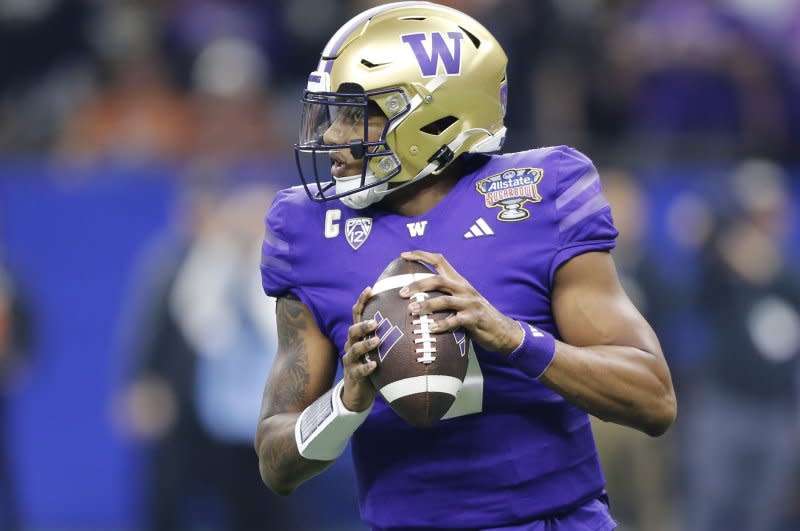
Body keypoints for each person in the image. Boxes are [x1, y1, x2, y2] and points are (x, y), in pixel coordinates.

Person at [256, 2, 676, 530]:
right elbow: (275, 462)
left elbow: (653, 399)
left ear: (431, 116)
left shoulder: (542, 193)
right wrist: (344, 403)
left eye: (358, 113)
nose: (335, 137)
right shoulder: (306, 228)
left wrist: (513, 338)